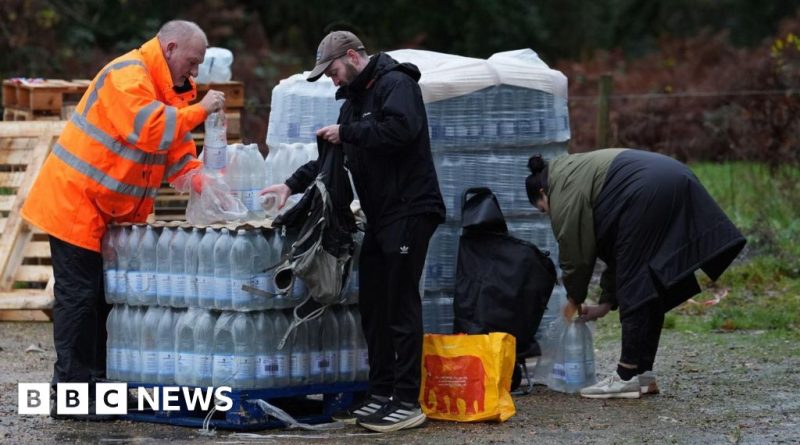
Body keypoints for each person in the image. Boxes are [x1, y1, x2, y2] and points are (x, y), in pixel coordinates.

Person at [20, 20, 225, 420]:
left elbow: (176, 145)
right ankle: (70, 394)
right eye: (193, 61)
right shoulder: (126, 77)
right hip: (77, 203)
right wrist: (201, 111)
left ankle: (95, 386)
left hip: (109, 212)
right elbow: (150, 129)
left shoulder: (173, 88)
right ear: (169, 48)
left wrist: (197, 177)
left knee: (102, 300)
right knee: (79, 300)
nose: (195, 72)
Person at [261, 30, 445, 432]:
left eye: (333, 70)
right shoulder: (354, 101)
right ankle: (380, 392)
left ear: (352, 56)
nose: (332, 79)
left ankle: (407, 400)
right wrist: (290, 185)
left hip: (411, 209)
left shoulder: (397, 84)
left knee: (400, 303)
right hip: (381, 215)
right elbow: (331, 158)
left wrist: (348, 133)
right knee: (374, 304)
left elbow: (401, 131)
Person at [525, 148, 746, 399]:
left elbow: (576, 254)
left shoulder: (562, 190)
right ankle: (643, 374)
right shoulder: (574, 172)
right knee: (649, 281)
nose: (548, 214)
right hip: (673, 176)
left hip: (647, 189)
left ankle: (626, 375)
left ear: (543, 193)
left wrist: (573, 299)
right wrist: (606, 303)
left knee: (635, 285)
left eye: (543, 209)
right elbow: (619, 253)